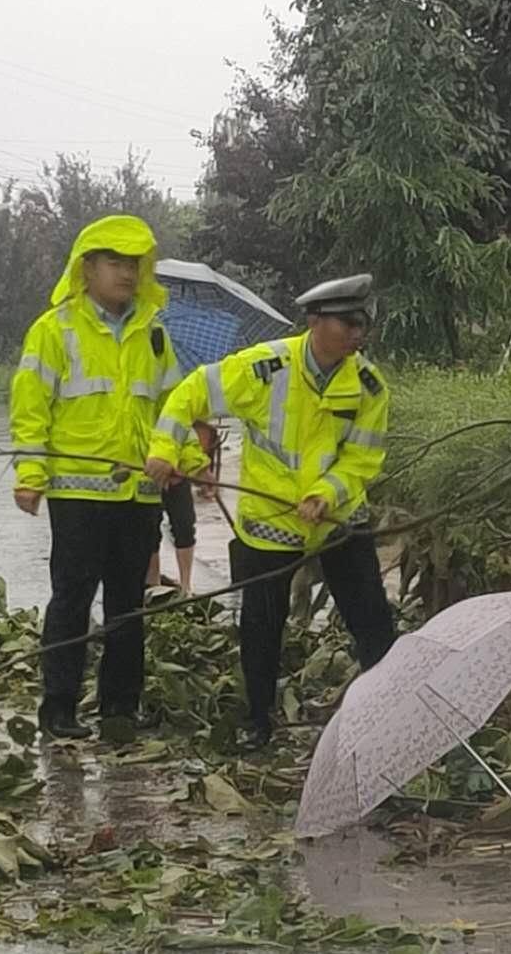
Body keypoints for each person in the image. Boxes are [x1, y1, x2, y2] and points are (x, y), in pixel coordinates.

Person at [145, 273, 397, 749]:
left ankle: (387, 719)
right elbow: (188, 394)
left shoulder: (369, 387)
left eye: (362, 324)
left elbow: (363, 460)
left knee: (373, 624)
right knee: (261, 629)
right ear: (316, 322)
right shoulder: (264, 368)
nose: (358, 334)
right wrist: (165, 448)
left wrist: (326, 493)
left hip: (339, 521)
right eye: (348, 323)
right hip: (268, 528)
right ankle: (258, 722)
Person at [10, 215, 205, 740]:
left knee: (128, 603)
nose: (127, 274)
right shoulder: (56, 329)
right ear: (87, 268)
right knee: (71, 600)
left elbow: (171, 405)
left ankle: (121, 704)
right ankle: (59, 708)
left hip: (140, 492)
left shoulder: (154, 332)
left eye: (135, 264)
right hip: (77, 494)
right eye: (115, 263)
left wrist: (190, 459)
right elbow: (31, 407)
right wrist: (30, 474)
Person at [146, 421, 221, 594]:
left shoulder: (177, 409)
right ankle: (153, 585)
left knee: (184, 525)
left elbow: (185, 432)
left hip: (178, 473)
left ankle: (186, 586)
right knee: (151, 529)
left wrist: (196, 468)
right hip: (151, 471)